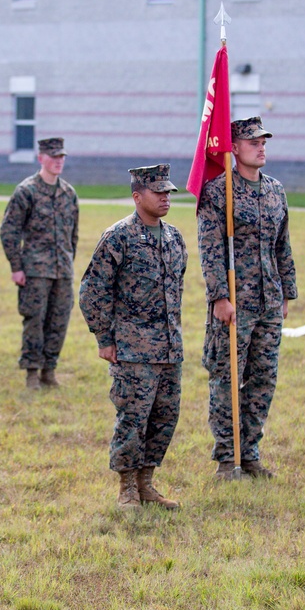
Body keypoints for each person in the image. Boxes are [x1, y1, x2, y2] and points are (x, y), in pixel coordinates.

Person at [79, 164, 186, 510]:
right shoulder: (118, 237)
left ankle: (147, 484)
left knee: (164, 418)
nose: (166, 197)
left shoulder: (174, 238)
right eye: (158, 192)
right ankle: (126, 488)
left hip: (169, 350)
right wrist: (104, 338)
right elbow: (92, 291)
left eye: (168, 192)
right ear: (137, 196)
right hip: (132, 350)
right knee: (133, 419)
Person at [197, 116, 297, 481]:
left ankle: (251, 452)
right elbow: (209, 249)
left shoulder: (275, 190)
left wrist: (287, 291)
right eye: (253, 141)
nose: (261, 146)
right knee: (226, 379)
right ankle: (228, 457)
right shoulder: (218, 192)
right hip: (234, 305)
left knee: (263, 379)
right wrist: (219, 297)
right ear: (234, 148)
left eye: (264, 141)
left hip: (269, 300)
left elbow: (282, 244)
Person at [0, 137, 79, 390]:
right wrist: (16, 266)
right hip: (34, 271)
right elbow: (9, 231)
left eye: (61, 157)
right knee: (34, 321)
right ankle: (32, 372)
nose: (58, 162)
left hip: (62, 270)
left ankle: (49, 370)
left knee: (59, 321)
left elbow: (73, 235)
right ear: (40, 158)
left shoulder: (68, 193)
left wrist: (68, 261)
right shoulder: (27, 191)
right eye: (53, 157)